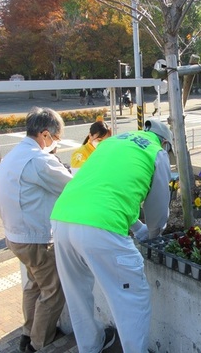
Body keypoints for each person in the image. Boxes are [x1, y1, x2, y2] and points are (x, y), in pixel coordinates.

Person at [50, 118, 173, 353]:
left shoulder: (112, 142)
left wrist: (137, 228)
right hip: (100, 229)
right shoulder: (156, 152)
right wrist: (153, 234)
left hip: (62, 219)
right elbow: (157, 209)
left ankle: (90, 347)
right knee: (133, 299)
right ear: (165, 142)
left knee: (77, 293)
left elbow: (107, 191)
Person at [0, 107, 73, 353]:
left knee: (33, 285)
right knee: (53, 290)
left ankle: (28, 333)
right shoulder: (39, 160)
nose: (55, 144)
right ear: (45, 134)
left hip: (14, 236)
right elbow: (71, 186)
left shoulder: (14, 155)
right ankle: (39, 342)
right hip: (34, 239)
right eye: (56, 138)